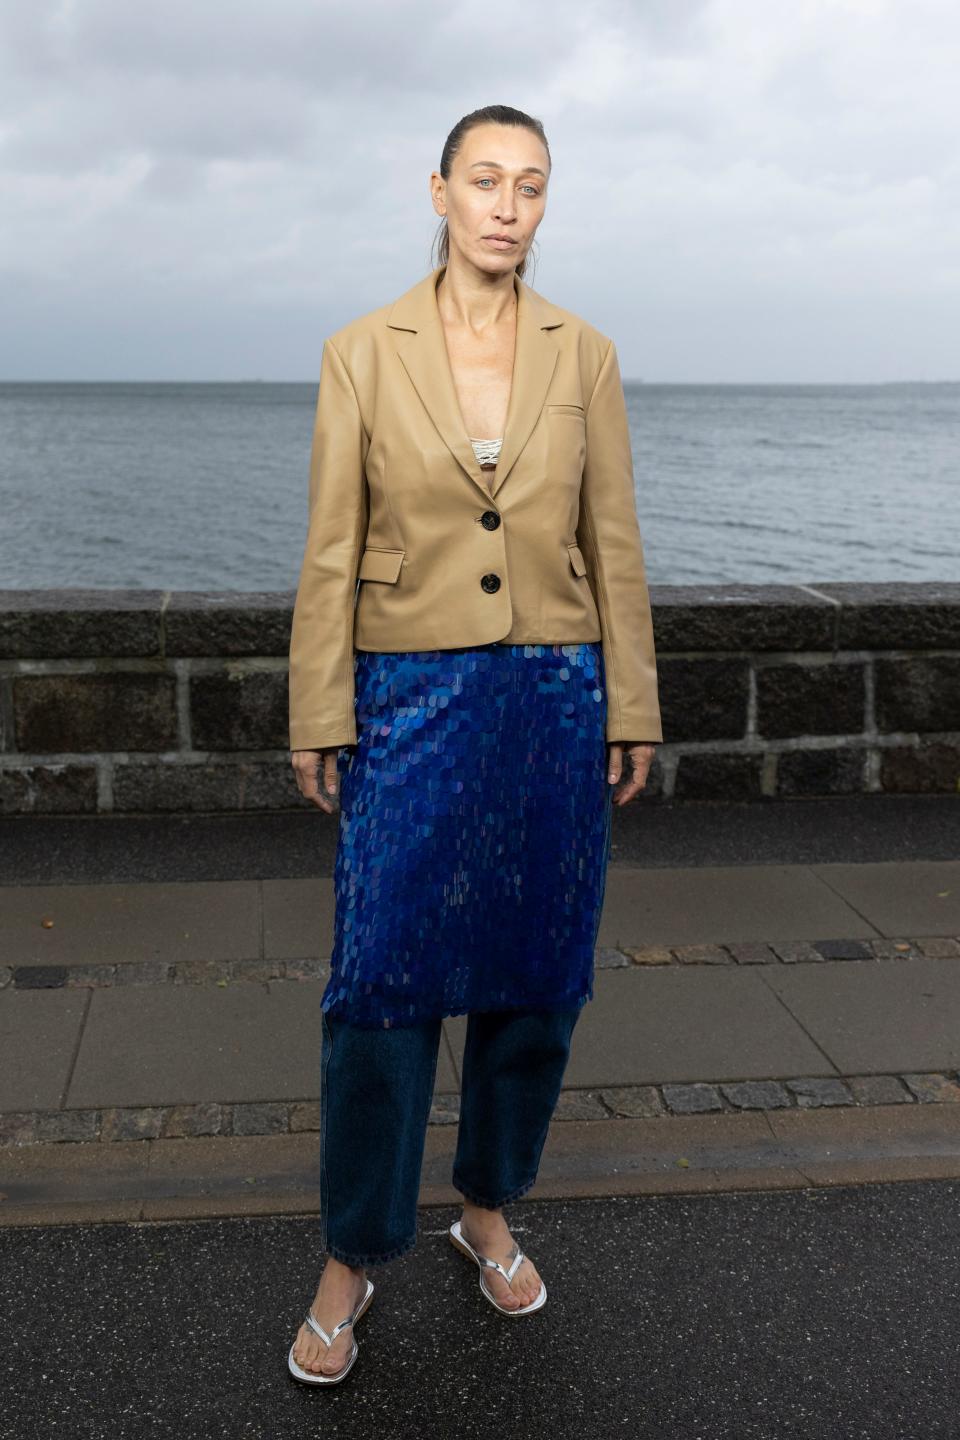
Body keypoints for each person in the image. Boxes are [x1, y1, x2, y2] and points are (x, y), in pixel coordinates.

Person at [286, 103, 662, 1385]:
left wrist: (634, 700)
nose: (509, 204)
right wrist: (319, 706)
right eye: (486, 180)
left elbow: (614, 540)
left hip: (557, 693)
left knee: (536, 978)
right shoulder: (362, 351)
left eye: (533, 185)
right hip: (408, 695)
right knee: (382, 982)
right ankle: (354, 1252)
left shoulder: (587, 355)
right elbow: (333, 544)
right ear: (437, 192)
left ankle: (489, 1207)